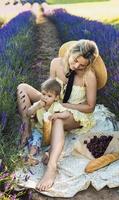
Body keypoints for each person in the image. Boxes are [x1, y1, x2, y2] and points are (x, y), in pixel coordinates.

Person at [17, 39, 107, 191]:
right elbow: (50, 88)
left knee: (58, 117)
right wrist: (46, 100)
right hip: (56, 102)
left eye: (82, 65)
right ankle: (27, 129)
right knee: (22, 87)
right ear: (70, 52)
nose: (77, 66)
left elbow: (90, 107)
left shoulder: (89, 76)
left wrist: (64, 106)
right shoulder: (56, 63)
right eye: (75, 60)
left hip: (76, 112)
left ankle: (52, 167)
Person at [26, 78, 70, 157]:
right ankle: (31, 156)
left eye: (49, 96)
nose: (45, 97)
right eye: (43, 94)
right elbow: (28, 113)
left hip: (51, 132)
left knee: (56, 143)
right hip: (39, 131)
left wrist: (57, 115)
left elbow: (67, 114)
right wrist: (37, 106)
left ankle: (49, 154)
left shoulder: (56, 106)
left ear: (56, 98)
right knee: (35, 141)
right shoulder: (38, 104)